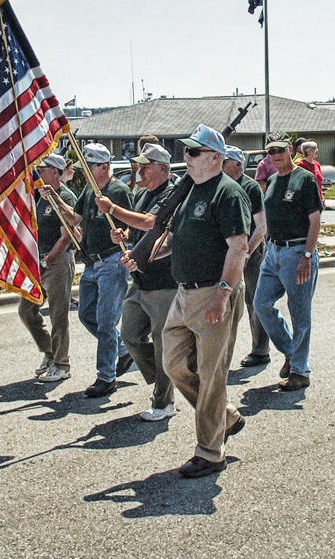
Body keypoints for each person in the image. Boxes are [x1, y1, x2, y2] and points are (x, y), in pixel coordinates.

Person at [161, 124, 250, 478]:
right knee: (173, 363)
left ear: (216, 158)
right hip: (184, 293)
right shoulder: (190, 193)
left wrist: (223, 294)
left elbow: (239, 247)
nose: (187, 157)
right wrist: (143, 257)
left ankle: (210, 452)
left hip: (213, 292)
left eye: (194, 152)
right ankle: (224, 417)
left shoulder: (227, 193)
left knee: (212, 374)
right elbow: (174, 240)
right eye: (186, 151)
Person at [95, 143, 178, 421]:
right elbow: (137, 229)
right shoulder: (143, 193)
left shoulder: (170, 194)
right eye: (139, 164)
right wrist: (123, 234)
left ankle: (163, 401)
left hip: (164, 280)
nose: (140, 170)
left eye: (146, 165)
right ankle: (169, 374)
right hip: (140, 279)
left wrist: (114, 209)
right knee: (130, 335)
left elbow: (150, 223)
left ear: (162, 169)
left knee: (161, 341)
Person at [254, 136, 321, 391]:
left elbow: (314, 221)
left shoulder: (304, 178)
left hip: (297, 250)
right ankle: (292, 352)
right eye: (271, 151)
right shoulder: (271, 180)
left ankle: (300, 372)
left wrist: (307, 255)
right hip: (273, 251)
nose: (275, 155)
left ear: (290, 151)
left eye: (280, 150)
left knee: (299, 314)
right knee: (261, 304)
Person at [71, 143, 134, 398]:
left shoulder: (118, 191)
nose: (84, 173)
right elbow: (74, 218)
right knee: (87, 314)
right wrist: (53, 197)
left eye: (89, 168)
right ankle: (123, 350)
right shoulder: (88, 191)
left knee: (107, 321)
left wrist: (123, 234)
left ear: (104, 167)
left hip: (112, 259)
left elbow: (134, 225)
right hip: (91, 262)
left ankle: (106, 376)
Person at [19, 154, 78, 382]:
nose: (38, 173)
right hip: (38, 261)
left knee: (58, 314)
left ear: (55, 172)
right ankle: (49, 351)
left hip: (58, 261)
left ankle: (62, 365)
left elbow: (68, 235)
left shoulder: (65, 196)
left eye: (42, 169)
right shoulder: (40, 195)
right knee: (26, 310)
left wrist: (48, 260)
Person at [222, 146, 270, 368]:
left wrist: (247, 253)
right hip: (228, 251)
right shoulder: (221, 185)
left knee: (254, 299)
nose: (221, 165)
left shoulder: (250, 187)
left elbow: (260, 228)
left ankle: (260, 350)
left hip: (251, 251)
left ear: (238, 164)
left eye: (225, 161)